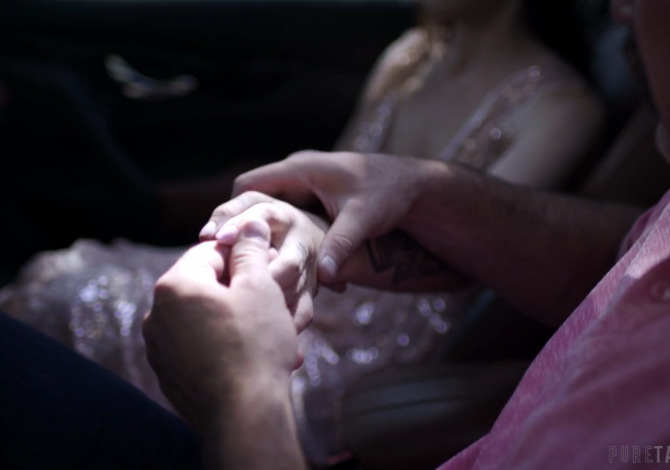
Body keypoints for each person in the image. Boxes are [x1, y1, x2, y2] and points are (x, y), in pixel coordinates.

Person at [0, 0, 603, 461]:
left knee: (79, 298)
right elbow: (332, 191)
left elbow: (475, 253)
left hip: (380, 332)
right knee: (65, 271)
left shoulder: (560, 106)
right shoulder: (410, 57)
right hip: (313, 268)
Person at [171, 1, 670, 469]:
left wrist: (244, 395)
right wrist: (414, 193)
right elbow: (610, 259)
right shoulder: (658, 226)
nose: (620, 6)